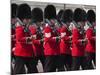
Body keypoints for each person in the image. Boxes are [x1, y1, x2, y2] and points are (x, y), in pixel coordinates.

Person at [13, 3, 38, 74]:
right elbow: (19, 38)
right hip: (21, 53)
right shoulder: (19, 27)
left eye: (28, 19)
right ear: (22, 19)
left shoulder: (26, 27)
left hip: (28, 52)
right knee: (18, 71)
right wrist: (29, 38)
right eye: (26, 19)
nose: (28, 20)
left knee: (33, 70)